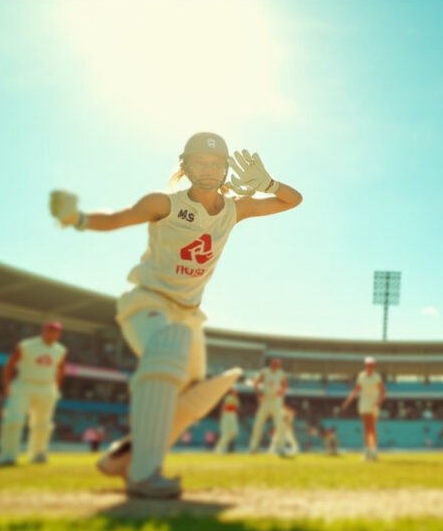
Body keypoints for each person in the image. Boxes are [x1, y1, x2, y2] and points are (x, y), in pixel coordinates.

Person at [50, 132, 302, 498]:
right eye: (200, 161)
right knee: (169, 349)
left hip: (188, 314)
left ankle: (124, 456)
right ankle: (144, 474)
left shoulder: (236, 208)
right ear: (184, 165)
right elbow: (118, 218)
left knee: (195, 394)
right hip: (149, 302)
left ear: (227, 167)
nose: (209, 168)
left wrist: (268, 183)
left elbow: (292, 201)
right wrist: (78, 219)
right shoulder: (163, 203)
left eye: (217, 162)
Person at [0, 321, 67, 466]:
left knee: (43, 424)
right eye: (50, 330)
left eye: (56, 331)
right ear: (44, 331)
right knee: (13, 420)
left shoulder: (61, 350)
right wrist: (7, 385)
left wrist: (56, 387)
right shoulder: (27, 345)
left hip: (47, 387)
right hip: (24, 384)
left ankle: (38, 454)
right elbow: (9, 365)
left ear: (59, 334)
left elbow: (61, 369)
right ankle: (7, 455)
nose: (52, 334)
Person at [340, 356, 385, 461]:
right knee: (366, 428)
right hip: (364, 404)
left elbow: (383, 393)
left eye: (372, 365)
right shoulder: (361, 376)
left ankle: (373, 452)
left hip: (374, 404)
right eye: (368, 364)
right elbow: (356, 390)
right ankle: (367, 452)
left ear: (374, 366)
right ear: (365, 365)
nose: (370, 366)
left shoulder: (377, 377)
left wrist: (378, 403)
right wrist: (347, 401)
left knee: (372, 428)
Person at [249, 358, 288, 454]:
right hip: (265, 400)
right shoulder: (265, 371)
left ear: (279, 365)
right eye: (274, 364)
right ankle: (253, 447)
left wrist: (281, 392)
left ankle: (281, 448)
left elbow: (285, 385)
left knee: (280, 424)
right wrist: (259, 395)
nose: (275, 366)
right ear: (271, 364)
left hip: (276, 401)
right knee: (258, 423)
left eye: (277, 364)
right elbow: (256, 382)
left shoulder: (281, 373)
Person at [214, 387, 240, 454]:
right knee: (226, 433)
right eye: (234, 390)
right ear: (231, 392)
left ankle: (220, 446)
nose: (236, 391)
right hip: (227, 416)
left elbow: (236, 409)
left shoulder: (235, 398)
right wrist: (221, 416)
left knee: (234, 432)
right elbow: (227, 407)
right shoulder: (229, 397)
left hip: (232, 416)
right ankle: (219, 448)